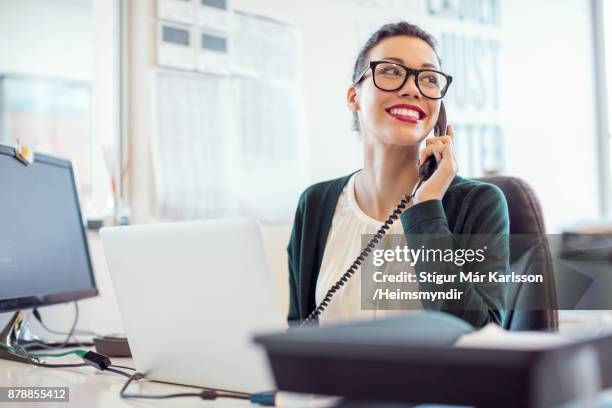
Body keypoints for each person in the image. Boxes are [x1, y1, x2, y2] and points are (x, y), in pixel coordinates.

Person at [287, 21, 509, 328]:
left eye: (429, 78)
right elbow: (299, 335)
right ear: (354, 97)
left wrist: (428, 208)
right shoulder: (315, 204)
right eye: (391, 71)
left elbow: (481, 337)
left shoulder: (478, 204)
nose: (412, 88)